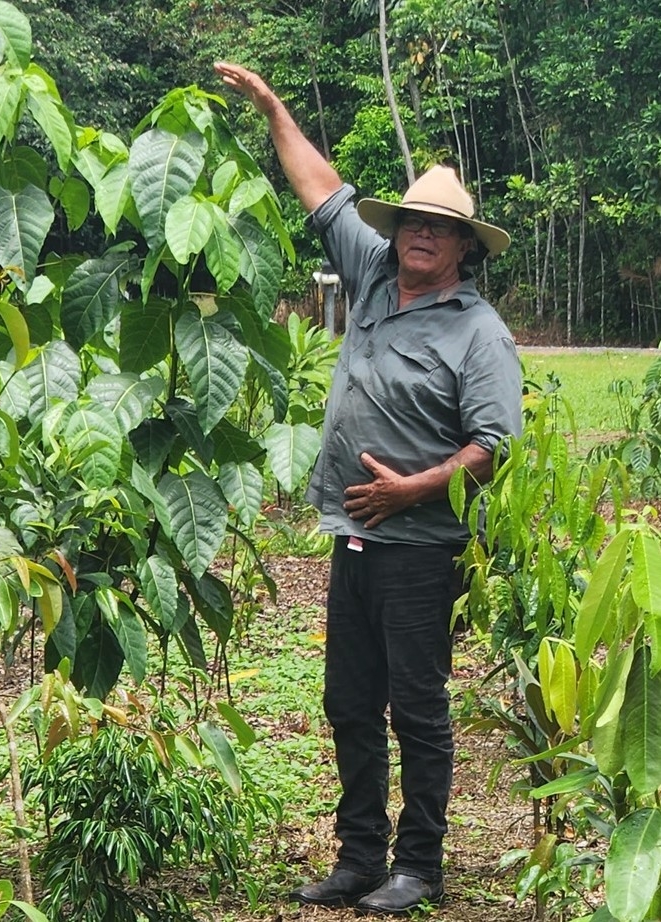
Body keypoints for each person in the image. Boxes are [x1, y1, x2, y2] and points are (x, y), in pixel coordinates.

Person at [214, 61, 523, 916]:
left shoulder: (479, 333)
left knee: (415, 708)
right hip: (354, 537)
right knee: (348, 700)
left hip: (423, 547)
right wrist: (275, 105)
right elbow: (320, 187)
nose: (420, 235)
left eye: (438, 228)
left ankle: (419, 866)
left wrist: (413, 490)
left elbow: (491, 446)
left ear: (464, 247)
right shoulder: (375, 274)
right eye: (411, 222)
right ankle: (359, 858)